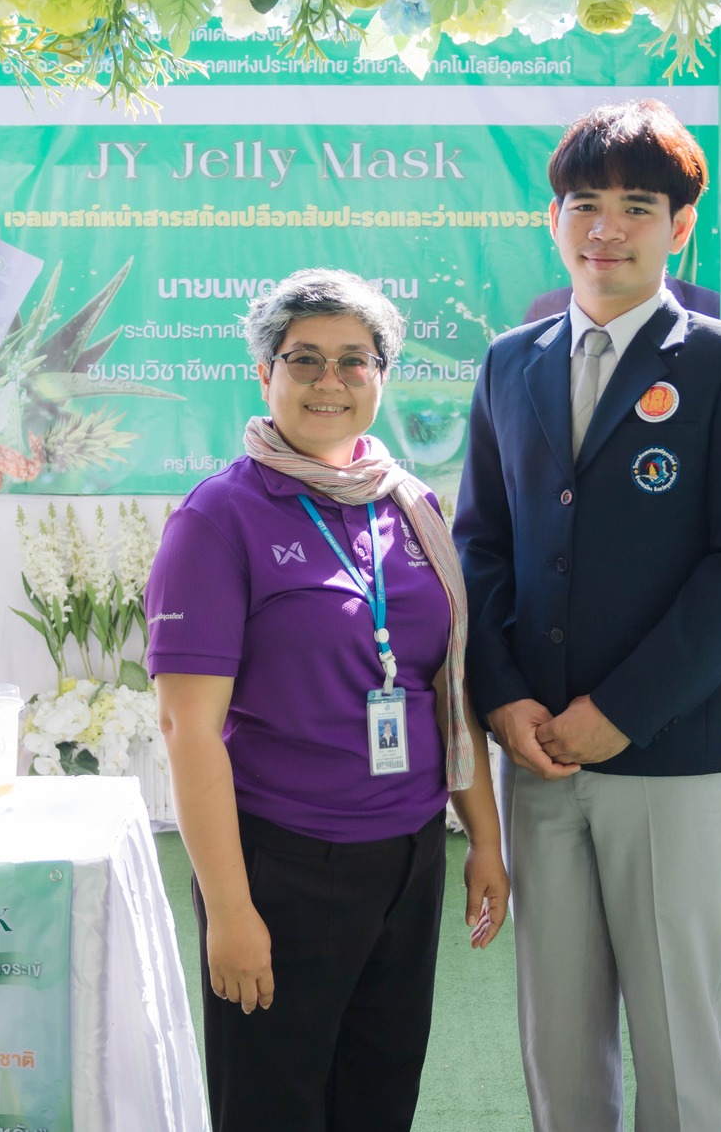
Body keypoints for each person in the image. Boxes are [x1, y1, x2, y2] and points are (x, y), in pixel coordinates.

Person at [454, 101, 721, 1132]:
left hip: (665, 756)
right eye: (584, 205)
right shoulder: (508, 363)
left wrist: (621, 710)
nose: (606, 228)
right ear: (553, 219)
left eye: (636, 207)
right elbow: (480, 545)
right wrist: (505, 700)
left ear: (678, 225)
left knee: (675, 1042)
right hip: (538, 753)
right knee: (557, 1040)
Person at [148, 269, 507, 1132]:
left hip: (409, 856)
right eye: (303, 358)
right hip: (282, 864)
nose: (329, 381)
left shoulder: (409, 507)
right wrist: (230, 911)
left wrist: (485, 839)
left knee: (379, 1100)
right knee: (273, 1108)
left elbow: (448, 689)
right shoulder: (219, 517)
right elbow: (186, 727)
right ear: (264, 372)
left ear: (383, 373)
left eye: (355, 360)